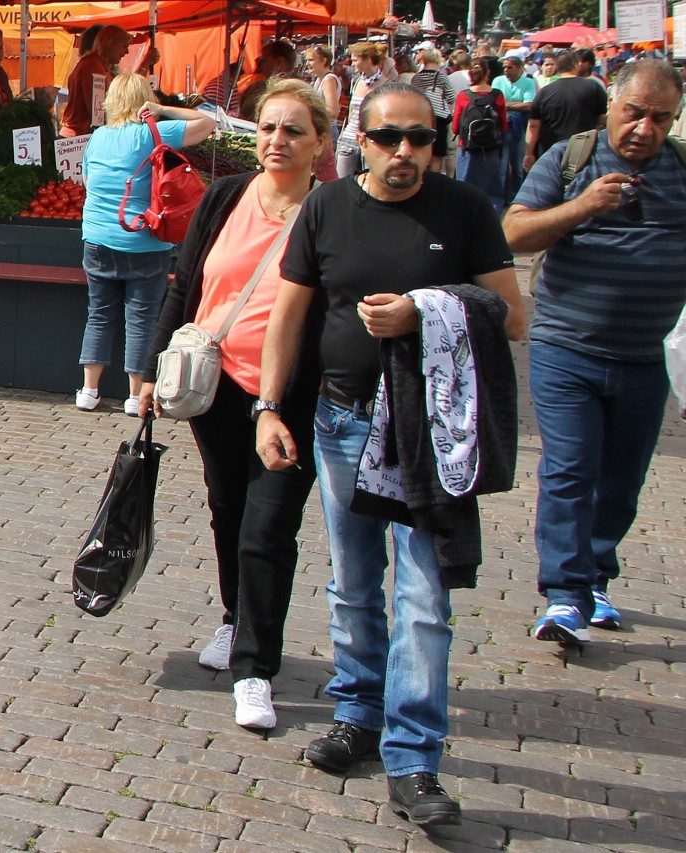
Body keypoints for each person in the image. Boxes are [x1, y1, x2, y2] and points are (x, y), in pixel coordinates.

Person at [255, 81, 525, 828]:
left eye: (419, 137)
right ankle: (358, 715)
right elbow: (290, 313)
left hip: (429, 432)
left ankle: (413, 758)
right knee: (352, 582)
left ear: (438, 141)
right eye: (387, 138)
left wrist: (428, 307)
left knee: (424, 599)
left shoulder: (465, 211)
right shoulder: (328, 207)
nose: (403, 151)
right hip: (343, 422)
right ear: (359, 142)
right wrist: (270, 408)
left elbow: (514, 314)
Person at [139, 80, 327, 730]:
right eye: (269, 128)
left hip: (288, 396)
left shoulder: (327, 213)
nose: (277, 141)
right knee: (228, 509)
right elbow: (184, 283)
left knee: (269, 527)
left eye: (293, 130)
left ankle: (256, 668)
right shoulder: (225, 197)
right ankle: (232, 614)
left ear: (319, 143)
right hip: (214, 385)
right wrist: (150, 368)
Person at [502, 60, 686, 644]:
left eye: (661, 118)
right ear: (612, 105)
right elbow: (511, 233)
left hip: (646, 356)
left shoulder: (682, 169)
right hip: (566, 349)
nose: (644, 128)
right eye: (635, 113)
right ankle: (563, 594)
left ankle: (595, 578)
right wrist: (582, 207)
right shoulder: (569, 160)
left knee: (621, 479)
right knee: (570, 468)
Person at [76, 73, 215, 413]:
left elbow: (87, 179)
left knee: (99, 315)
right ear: (143, 100)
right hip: (145, 241)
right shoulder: (152, 133)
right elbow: (207, 122)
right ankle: (135, 395)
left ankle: (89, 391)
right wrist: (162, 109)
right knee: (141, 318)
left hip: (96, 238)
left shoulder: (97, 138)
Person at [61, 26, 156, 137]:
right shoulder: (93, 65)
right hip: (79, 136)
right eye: (124, 46)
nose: (127, 52)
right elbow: (98, 112)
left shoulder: (99, 66)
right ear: (109, 44)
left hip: (80, 135)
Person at [523, 50, 608, 172]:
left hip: (550, 152)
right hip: (584, 150)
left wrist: (529, 153)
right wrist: (596, 128)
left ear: (557, 67)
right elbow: (603, 116)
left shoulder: (545, 92)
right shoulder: (593, 87)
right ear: (576, 64)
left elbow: (533, 126)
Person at [454, 58, 508, 211]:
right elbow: (503, 125)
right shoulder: (498, 95)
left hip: (467, 148)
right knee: (493, 189)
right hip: (491, 147)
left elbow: (455, 127)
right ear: (488, 73)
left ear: (470, 74)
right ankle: (492, 217)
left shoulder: (463, 96)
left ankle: (464, 217)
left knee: (464, 187)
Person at [336, 42, 387, 178]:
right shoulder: (356, 81)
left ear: (368, 60)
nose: (352, 64)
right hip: (349, 138)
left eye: (355, 60)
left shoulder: (386, 85)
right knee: (342, 183)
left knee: (370, 182)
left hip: (372, 140)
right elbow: (351, 112)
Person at [492, 54, 536, 203]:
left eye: (510, 67)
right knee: (502, 166)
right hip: (502, 127)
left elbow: (529, 105)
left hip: (519, 128)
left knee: (518, 165)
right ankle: (501, 196)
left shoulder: (528, 82)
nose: (506, 70)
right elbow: (495, 103)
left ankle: (518, 196)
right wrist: (517, 104)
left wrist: (505, 104)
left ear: (520, 68)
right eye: (504, 67)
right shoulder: (498, 81)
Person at [411, 49, 455, 172]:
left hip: (420, 118)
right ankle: (434, 180)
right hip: (438, 119)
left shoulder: (416, 77)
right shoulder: (441, 76)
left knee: (422, 151)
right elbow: (451, 97)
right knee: (437, 155)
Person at [305, 45, 341, 181]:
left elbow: (333, 111)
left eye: (311, 60)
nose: (308, 64)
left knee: (326, 175)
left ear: (324, 61)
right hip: (322, 130)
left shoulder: (329, 80)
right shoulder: (318, 80)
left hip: (328, 131)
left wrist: (310, 110)